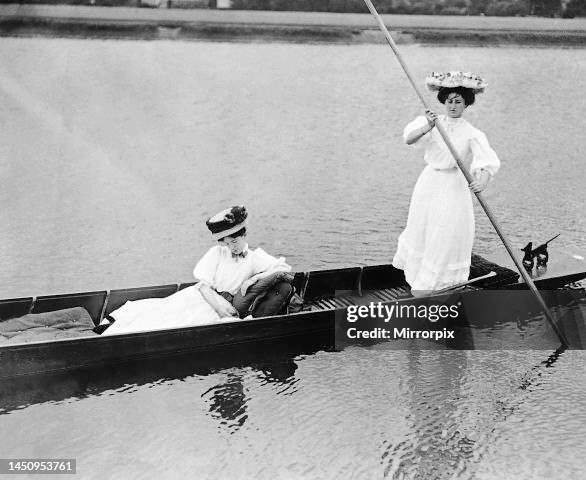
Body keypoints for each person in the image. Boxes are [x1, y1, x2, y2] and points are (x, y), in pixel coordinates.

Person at [97, 206, 293, 335]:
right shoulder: (217, 253)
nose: (231, 247)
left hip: (224, 304)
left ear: (244, 235)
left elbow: (283, 269)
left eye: (234, 241)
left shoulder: (254, 257)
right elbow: (204, 285)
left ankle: (118, 332)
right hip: (203, 296)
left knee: (176, 324)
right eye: (226, 242)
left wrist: (255, 278)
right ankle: (113, 326)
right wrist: (218, 305)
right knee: (162, 310)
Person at [392, 71, 501, 294]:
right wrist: (428, 127)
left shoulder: (472, 133)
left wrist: (482, 182)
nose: (453, 106)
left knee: (446, 230)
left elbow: (487, 162)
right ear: (444, 102)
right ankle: (418, 278)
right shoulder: (432, 121)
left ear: (465, 104)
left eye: (458, 102)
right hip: (429, 182)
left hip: (453, 185)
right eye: (450, 101)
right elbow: (408, 139)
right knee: (423, 226)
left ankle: (438, 283)